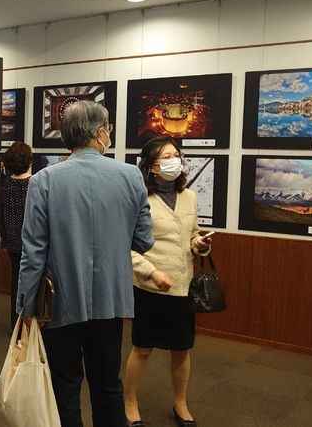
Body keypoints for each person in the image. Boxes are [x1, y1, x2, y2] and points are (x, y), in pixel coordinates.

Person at [16, 100, 154, 427]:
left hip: (59, 303)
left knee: (64, 387)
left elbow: (32, 251)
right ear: (101, 132)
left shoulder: (44, 181)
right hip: (110, 301)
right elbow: (145, 240)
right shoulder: (131, 176)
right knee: (108, 386)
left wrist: (25, 308)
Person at [123, 137, 212, 427]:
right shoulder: (139, 199)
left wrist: (200, 244)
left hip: (182, 286)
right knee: (143, 348)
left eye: (176, 154)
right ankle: (130, 403)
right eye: (165, 157)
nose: (173, 160)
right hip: (150, 287)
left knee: (181, 348)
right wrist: (151, 272)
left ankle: (181, 403)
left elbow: (192, 235)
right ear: (150, 166)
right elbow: (127, 247)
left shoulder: (189, 196)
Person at [0, 142, 33, 329]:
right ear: (29, 161)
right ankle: (31, 325)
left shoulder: (4, 186)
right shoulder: (36, 185)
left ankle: (16, 324)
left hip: (11, 243)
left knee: (16, 283)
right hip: (33, 244)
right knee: (33, 284)